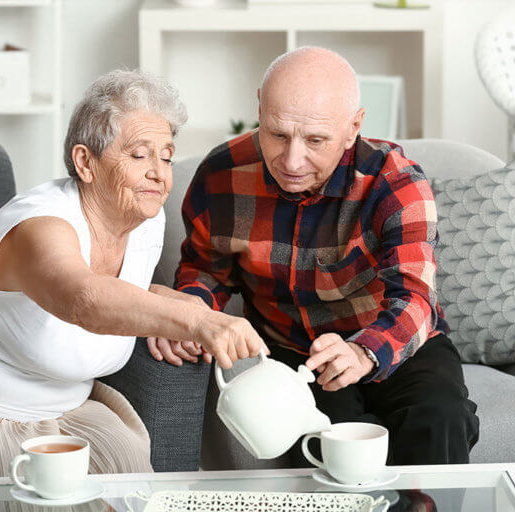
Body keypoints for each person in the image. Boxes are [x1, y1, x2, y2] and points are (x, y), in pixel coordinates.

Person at [0, 69, 266, 512]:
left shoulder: (144, 220)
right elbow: (82, 297)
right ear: (85, 162)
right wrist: (199, 320)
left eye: (166, 156)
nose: (158, 173)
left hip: (55, 416)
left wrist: (185, 313)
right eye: (140, 155)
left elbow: (131, 290)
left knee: (129, 487)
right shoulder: (38, 226)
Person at [148, 47, 480, 466]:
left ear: (354, 127)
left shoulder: (395, 182)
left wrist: (363, 353)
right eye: (278, 134)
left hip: (396, 344)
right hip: (292, 352)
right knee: (330, 447)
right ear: (260, 108)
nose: (291, 160)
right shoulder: (221, 175)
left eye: (316, 140)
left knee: (441, 419)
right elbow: (206, 272)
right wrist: (186, 315)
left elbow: (414, 299)